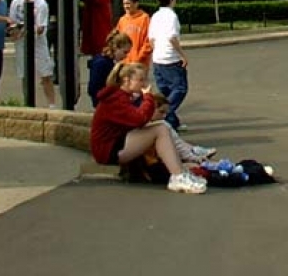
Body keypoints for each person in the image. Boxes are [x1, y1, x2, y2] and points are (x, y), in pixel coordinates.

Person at [90, 62, 206, 194]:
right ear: (126, 80)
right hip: (109, 150)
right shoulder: (115, 99)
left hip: (115, 144)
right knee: (160, 129)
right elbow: (139, 119)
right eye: (140, 80)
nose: (144, 84)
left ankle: (178, 171)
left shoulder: (120, 96)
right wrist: (148, 98)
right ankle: (178, 176)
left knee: (160, 128)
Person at [9, 0, 58, 108]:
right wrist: (13, 32)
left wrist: (25, 31)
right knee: (24, 75)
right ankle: (28, 103)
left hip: (38, 44)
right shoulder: (16, 3)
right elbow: (12, 22)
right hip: (21, 44)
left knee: (45, 74)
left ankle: (51, 104)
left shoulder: (41, 4)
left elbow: (40, 28)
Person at [148, 0, 189, 129]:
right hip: (170, 58)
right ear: (172, 0)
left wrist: (157, 50)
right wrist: (182, 55)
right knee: (180, 88)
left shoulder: (155, 16)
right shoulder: (171, 16)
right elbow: (172, 37)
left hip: (158, 57)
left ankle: (172, 122)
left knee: (165, 91)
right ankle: (162, 114)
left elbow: (151, 39)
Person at [151, 92, 216, 163]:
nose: (164, 116)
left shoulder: (159, 123)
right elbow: (178, 146)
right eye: (161, 112)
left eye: (166, 113)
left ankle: (194, 150)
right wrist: (195, 158)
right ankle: (193, 151)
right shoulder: (162, 125)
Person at [87, 30, 132, 107]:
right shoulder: (102, 64)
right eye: (125, 52)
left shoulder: (110, 62)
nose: (125, 56)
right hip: (104, 102)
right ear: (116, 48)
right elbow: (93, 89)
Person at [116, 0, 152, 68]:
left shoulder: (144, 18)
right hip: (124, 63)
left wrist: (138, 59)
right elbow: (116, 40)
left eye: (128, 3)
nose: (126, 6)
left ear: (136, 4)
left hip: (140, 64)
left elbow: (148, 42)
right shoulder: (122, 20)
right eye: (124, 4)